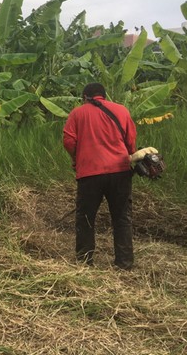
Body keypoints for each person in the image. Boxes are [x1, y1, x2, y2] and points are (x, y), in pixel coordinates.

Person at [63, 83, 137, 270]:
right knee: (121, 217)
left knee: (86, 217)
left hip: (90, 173)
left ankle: (85, 262)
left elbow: (68, 141)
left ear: (85, 97)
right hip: (120, 171)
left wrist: (76, 159)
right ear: (104, 96)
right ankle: (125, 263)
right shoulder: (121, 110)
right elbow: (131, 141)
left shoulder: (77, 113)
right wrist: (127, 156)